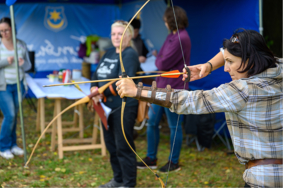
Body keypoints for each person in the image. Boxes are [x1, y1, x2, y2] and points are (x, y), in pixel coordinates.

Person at [116, 29, 282, 187]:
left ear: (250, 60)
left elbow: (191, 100)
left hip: (263, 180)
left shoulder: (242, 90)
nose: (225, 68)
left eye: (230, 62)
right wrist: (208, 66)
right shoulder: (278, 69)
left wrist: (137, 91)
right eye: (226, 61)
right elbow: (231, 51)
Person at [135, 6, 191, 172]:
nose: (165, 22)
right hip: (161, 86)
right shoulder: (172, 36)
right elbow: (161, 58)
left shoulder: (182, 37)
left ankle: (173, 162)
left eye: (166, 20)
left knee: (174, 126)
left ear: (172, 20)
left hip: (174, 88)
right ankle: (151, 158)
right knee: (152, 122)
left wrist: (159, 58)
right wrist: (160, 58)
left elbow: (162, 63)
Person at [90, 20, 140, 187]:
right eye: (114, 34)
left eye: (120, 33)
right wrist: (93, 89)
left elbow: (123, 82)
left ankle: (128, 183)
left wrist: (100, 92)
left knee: (123, 146)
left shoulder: (130, 54)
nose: (116, 37)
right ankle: (118, 179)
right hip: (106, 107)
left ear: (129, 35)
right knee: (111, 145)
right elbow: (96, 75)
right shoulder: (108, 53)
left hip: (123, 106)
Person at [0, 17, 31, 160]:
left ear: (12, 29)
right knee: (10, 115)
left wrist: (23, 63)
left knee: (14, 116)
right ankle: (3, 147)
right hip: (1, 86)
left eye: (6, 30)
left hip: (18, 85)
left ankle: (13, 145)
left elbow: (29, 66)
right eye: (1, 31)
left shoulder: (21, 45)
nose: (4, 33)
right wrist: (5, 62)